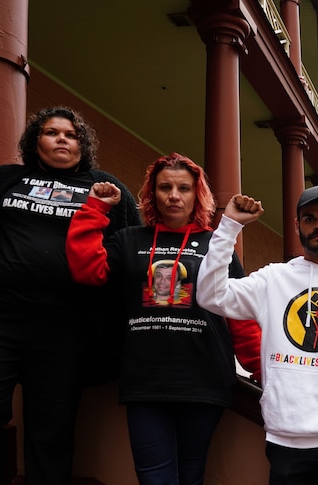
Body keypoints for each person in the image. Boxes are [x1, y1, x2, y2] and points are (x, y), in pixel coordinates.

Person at [0, 106, 141, 485]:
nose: (61, 138)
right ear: (35, 142)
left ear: (82, 144)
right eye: (51, 132)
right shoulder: (6, 179)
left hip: (65, 327)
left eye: (71, 134)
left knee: (51, 430)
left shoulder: (104, 186)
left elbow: (133, 249)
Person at [65, 153, 261, 485]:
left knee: (191, 475)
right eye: (165, 187)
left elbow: (239, 315)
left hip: (205, 379)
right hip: (145, 380)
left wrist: (261, 370)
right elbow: (86, 270)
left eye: (183, 188)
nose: (173, 195)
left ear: (196, 194)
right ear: (151, 193)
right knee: (155, 478)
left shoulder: (218, 244)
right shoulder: (129, 240)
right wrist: (95, 209)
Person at [196, 185, 318, 485]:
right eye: (310, 218)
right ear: (297, 225)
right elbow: (211, 295)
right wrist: (230, 225)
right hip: (283, 439)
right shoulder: (273, 279)